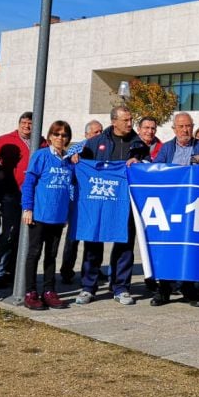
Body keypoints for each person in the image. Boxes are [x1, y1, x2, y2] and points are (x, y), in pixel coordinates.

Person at [74, 105, 149, 305]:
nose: (130, 123)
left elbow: (147, 164)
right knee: (93, 243)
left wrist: (139, 161)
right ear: (114, 121)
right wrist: (74, 158)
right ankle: (88, 287)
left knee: (124, 246)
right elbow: (74, 155)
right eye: (126, 120)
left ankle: (121, 287)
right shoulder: (95, 142)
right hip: (99, 201)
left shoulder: (139, 144)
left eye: (131, 119)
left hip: (125, 203)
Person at [150, 112, 199, 306]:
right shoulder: (166, 148)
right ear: (174, 129)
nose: (186, 130)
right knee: (168, 247)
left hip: (194, 208)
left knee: (190, 248)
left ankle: (189, 290)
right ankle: (164, 289)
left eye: (189, 126)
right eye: (182, 127)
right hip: (171, 206)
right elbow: (155, 171)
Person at [20, 120, 75, 310]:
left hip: (58, 216)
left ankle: (49, 291)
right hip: (39, 214)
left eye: (64, 135)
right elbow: (28, 182)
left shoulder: (69, 160)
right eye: (57, 134)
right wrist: (27, 208)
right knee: (34, 253)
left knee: (51, 255)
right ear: (50, 136)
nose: (60, 138)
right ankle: (30, 292)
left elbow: (71, 187)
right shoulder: (41, 156)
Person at [0, 111, 35, 289]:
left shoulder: (41, 141)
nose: (26, 126)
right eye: (23, 122)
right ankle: (1, 272)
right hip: (11, 194)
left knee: (26, 236)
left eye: (30, 123)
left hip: (32, 196)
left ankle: (16, 272)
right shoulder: (5, 140)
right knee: (9, 233)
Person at [60, 118, 107, 283]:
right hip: (77, 199)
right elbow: (65, 166)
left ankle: (93, 268)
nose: (100, 134)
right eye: (96, 132)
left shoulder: (105, 148)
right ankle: (67, 270)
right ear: (87, 134)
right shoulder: (77, 148)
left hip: (95, 198)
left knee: (95, 237)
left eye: (101, 131)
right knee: (73, 238)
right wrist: (73, 159)